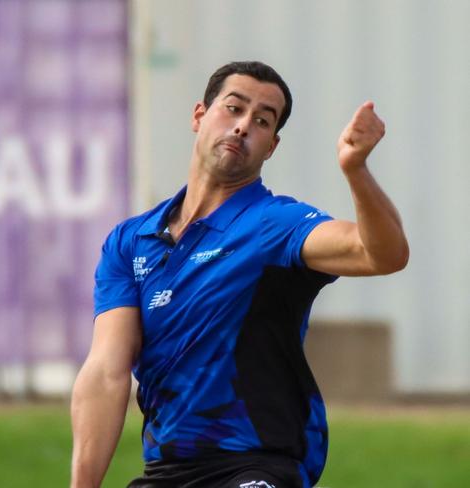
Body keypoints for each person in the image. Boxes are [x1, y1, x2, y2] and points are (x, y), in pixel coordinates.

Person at [70, 61, 409, 488]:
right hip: (168, 470)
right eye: (234, 108)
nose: (243, 125)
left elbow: (382, 254)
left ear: (271, 146)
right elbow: (105, 371)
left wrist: (356, 170)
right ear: (199, 116)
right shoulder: (129, 241)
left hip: (257, 465)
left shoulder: (274, 224)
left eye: (262, 121)